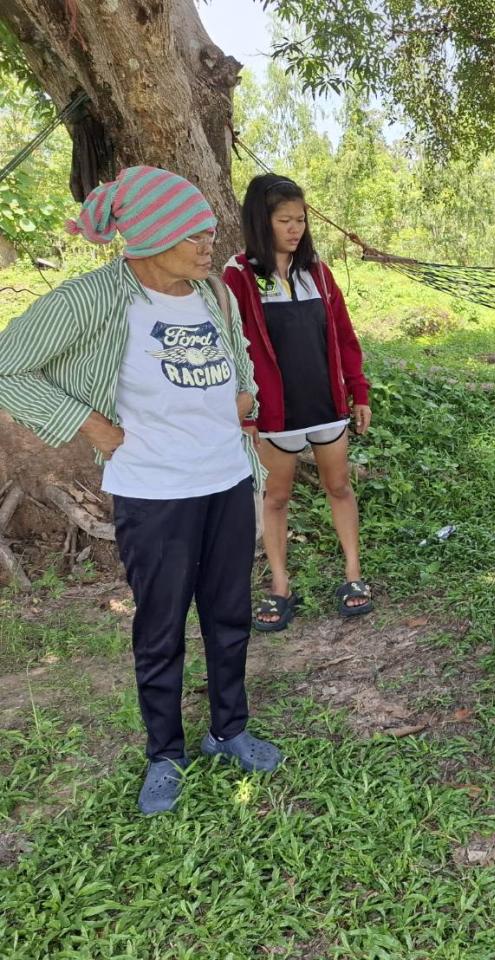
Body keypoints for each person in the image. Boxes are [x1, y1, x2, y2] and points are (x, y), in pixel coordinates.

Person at [0, 166, 282, 814]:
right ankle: (165, 754)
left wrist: (246, 393)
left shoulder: (215, 291)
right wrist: (88, 423)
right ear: (153, 236)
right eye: (196, 233)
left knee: (229, 616)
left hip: (226, 480)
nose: (210, 244)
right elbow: (8, 365)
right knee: (159, 629)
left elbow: (238, 356)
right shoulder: (94, 300)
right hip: (154, 493)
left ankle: (228, 729)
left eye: (211, 232)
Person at [223, 174, 373, 631]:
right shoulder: (239, 276)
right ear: (259, 221)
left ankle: (353, 577)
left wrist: (357, 389)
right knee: (276, 498)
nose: (295, 229)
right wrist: (245, 412)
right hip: (274, 414)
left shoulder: (318, 273)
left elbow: (344, 337)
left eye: (300, 220)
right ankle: (280, 586)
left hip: (325, 405)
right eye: (284, 220)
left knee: (340, 488)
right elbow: (233, 347)